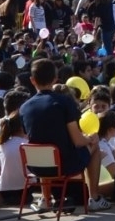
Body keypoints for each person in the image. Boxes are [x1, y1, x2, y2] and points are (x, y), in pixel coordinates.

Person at [19, 59, 95, 204]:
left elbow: (30, 137)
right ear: (55, 79)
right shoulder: (64, 102)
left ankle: (45, 199)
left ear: (32, 80)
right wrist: (90, 138)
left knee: (42, 146)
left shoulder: (24, 107)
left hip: (35, 166)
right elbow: (78, 141)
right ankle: (94, 197)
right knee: (95, 146)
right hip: (64, 165)